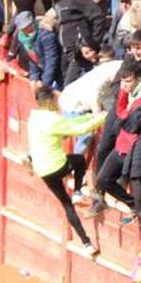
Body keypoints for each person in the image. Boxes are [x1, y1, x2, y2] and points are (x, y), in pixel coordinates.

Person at [25, 85, 105, 254]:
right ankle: (77, 191)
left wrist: (90, 116)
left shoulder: (34, 117)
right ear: (48, 102)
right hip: (57, 166)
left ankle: (86, 243)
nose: (57, 103)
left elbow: (68, 123)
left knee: (67, 205)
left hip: (43, 170)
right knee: (79, 160)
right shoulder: (53, 119)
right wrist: (103, 117)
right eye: (55, 100)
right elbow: (79, 130)